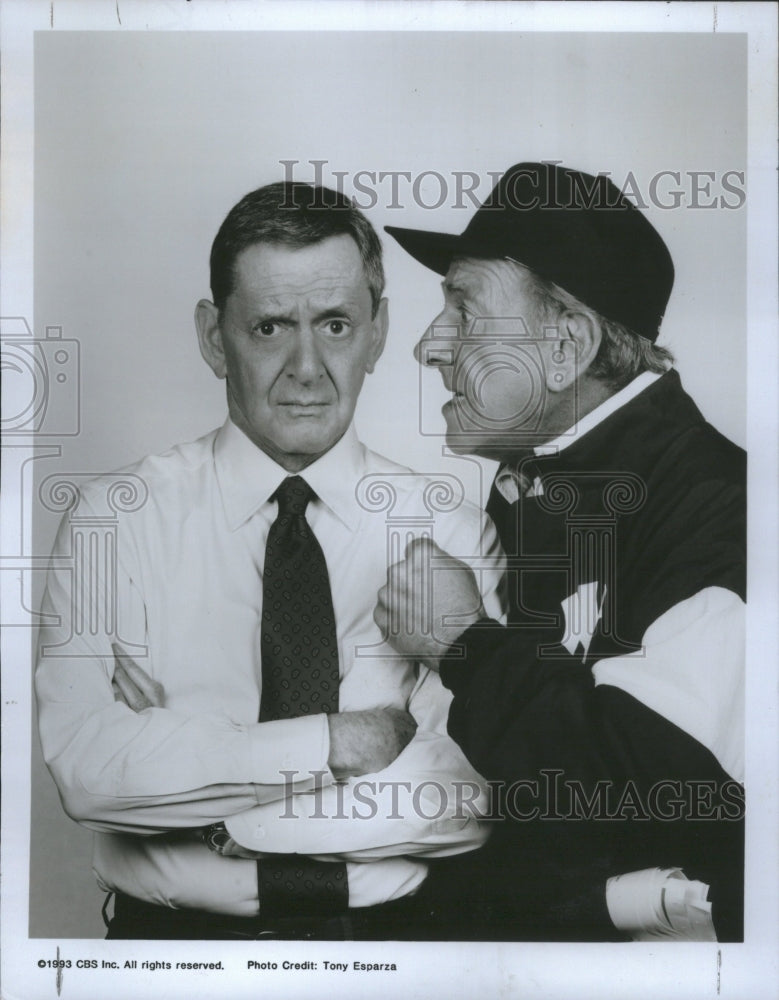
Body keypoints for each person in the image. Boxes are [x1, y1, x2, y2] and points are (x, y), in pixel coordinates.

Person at [35, 182, 504, 940]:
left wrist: (234, 811)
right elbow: (88, 770)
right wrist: (338, 743)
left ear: (378, 331)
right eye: (269, 327)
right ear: (214, 336)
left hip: (392, 953)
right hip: (172, 959)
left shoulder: (449, 530)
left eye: (336, 324)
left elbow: (467, 793)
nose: (307, 367)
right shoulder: (114, 522)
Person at [375, 162, 745, 942]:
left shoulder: (722, 506)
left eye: (463, 309)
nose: (426, 347)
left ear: (567, 344)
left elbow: (654, 793)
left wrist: (460, 643)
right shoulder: (540, 481)